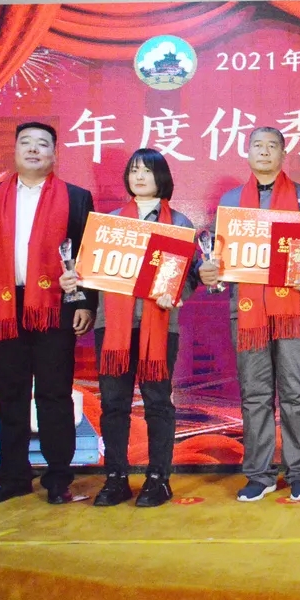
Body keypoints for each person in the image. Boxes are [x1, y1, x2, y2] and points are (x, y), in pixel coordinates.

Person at [0, 122, 96, 506]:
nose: (33, 149)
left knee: (54, 394)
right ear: (15, 151)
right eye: (26, 143)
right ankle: (13, 478)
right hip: (3, 306)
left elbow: (88, 257)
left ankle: (58, 480)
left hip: (55, 308)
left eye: (42, 144)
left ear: (55, 153)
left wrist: (84, 303)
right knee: (11, 395)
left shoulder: (76, 197)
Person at [199, 127, 300, 503]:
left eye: (271, 146)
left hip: (297, 308)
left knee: (297, 393)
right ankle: (260, 475)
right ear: (247, 152)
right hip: (248, 313)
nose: (264, 152)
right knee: (255, 395)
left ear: (283, 153)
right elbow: (216, 255)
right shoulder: (231, 201)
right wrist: (208, 271)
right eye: (257, 146)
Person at [60, 149, 198, 507]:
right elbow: (88, 274)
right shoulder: (108, 223)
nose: (139, 176)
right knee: (113, 403)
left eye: (147, 171)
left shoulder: (179, 222)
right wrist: (74, 285)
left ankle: (158, 478)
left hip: (160, 326)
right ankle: (116, 477)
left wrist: (176, 293)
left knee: (157, 402)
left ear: (161, 177)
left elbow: (191, 275)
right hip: (112, 325)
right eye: (134, 170)